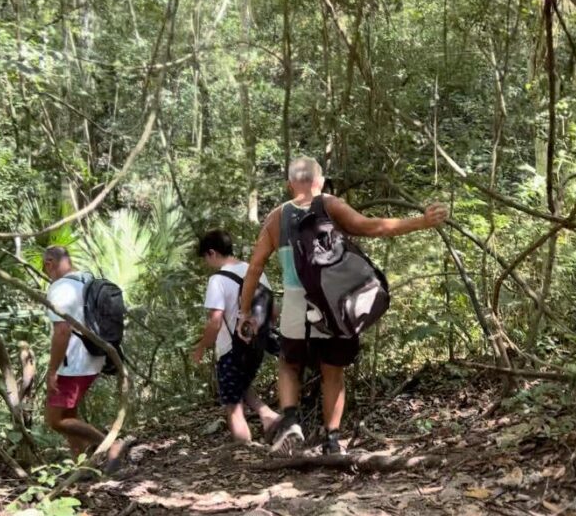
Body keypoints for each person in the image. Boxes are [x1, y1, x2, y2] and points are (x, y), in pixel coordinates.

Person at [238, 157, 448, 455]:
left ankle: (291, 422)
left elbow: (255, 267)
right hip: (336, 302)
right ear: (319, 181)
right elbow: (372, 227)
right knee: (333, 372)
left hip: (297, 303)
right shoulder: (330, 204)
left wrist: (245, 311)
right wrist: (421, 222)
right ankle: (333, 440)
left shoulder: (276, 217)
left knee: (288, 364)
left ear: (289, 185)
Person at [42, 246, 127, 472]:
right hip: (95, 356)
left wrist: (52, 371)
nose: (47, 273)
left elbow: (62, 331)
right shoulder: (85, 279)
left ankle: (111, 445)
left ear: (50, 263)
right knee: (69, 414)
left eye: (46, 267)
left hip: (73, 364)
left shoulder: (60, 289)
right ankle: (81, 468)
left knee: (55, 419)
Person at [192, 230, 280, 443]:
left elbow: (215, 320)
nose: (207, 263)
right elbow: (274, 310)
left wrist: (202, 347)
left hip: (232, 349)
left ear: (212, 253)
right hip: (257, 345)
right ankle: (269, 416)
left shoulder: (218, 280)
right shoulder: (254, 271)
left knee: (233, 405)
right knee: (242, 386)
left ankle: (244, 453)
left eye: (205, 258)